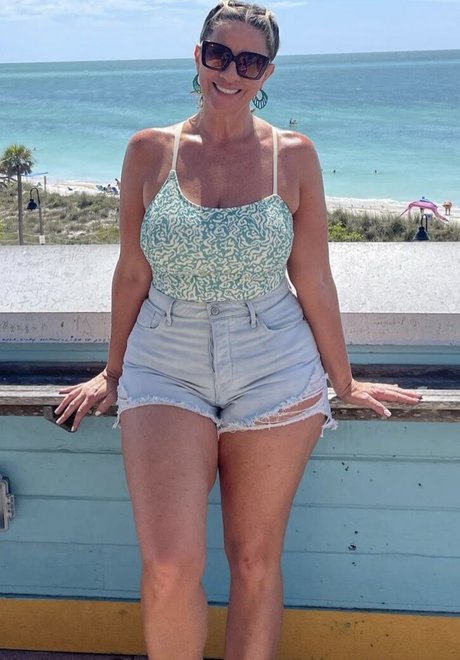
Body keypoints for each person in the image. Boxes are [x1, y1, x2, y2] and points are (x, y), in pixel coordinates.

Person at [54, 2, 422, 658]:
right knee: (169, 565)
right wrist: (112, 372)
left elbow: (314, 278)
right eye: (220, 55)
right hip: (165, 355)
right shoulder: (149, 151)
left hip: (272, 357)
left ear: (267, 73)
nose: (231, 73)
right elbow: (132, 272)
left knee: (253, 561)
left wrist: (344, 381)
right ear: (198, 56)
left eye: (249, 62)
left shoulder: (294, 157)